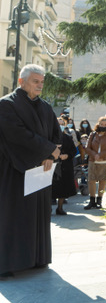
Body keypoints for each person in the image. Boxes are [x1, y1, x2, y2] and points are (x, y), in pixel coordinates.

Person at [0, 64, 62, 279]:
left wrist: (50, 155)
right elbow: (17, 135)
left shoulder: (45, 106)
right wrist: (48, 149)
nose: (40, 85)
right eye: (35, 81)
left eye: (42, 82)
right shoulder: (6, 105)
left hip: (40, 170)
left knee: (39, 216)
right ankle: (7, 264)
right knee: (12, 216)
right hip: (14, 170)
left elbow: (56, 133)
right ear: (21, 81)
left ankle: (37, 258)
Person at [83, 116, 106, 210]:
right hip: (93, 160)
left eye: (105, 124)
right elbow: (87, 147)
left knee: (103, 180)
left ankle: (99, 201)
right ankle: (92, 201)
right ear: (98, 124)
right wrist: (95, 155)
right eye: (102, 124)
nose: (103, 126)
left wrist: (101, 155)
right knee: (91, 180)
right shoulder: (93, 134)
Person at [53, 117, 78, 215]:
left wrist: (67, 155)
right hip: (53, 166)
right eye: (58, 124)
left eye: (62, 124)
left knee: (63, 189)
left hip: (65, 166)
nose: (60, 126)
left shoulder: (68, 137)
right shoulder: (49, 137)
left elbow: (73, 151)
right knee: (51, 188)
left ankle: (60, 207)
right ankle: (48, 208)